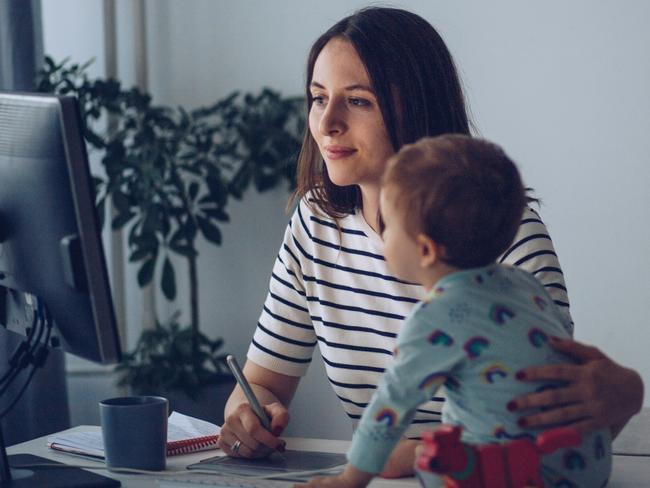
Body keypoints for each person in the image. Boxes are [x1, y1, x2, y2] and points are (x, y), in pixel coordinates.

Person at [218, 6, 644, 477]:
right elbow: (262, 384)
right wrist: (246, 414)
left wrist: (409, 454)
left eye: (359, 101)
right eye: (319, 98)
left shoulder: (508, 234)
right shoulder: (314, 222)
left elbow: (544, 416)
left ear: (417, 106)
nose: (327, 123)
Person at [297, 135, 611, 488]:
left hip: (519, 474)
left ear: (426, 250)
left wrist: (347, 482)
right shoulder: (523, 284)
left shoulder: (435, 317)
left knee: (435, 465)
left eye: (388, 225)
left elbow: (390, 408)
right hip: (586, 463)